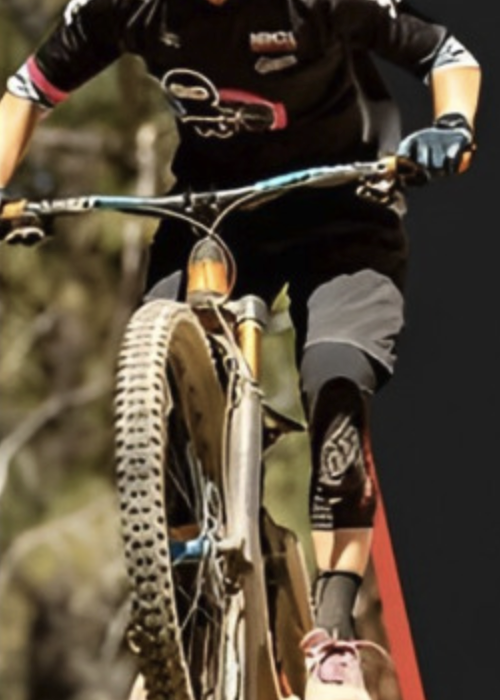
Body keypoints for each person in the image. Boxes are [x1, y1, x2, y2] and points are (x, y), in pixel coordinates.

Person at [0, 0, 481, 698]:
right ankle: (184, 603)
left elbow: (445, 53)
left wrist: (452, 125)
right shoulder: (126, 8)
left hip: (342, 205)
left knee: (335, 384)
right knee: (157, 387)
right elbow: (26, 90)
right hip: (212, 211)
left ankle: (336, 635)